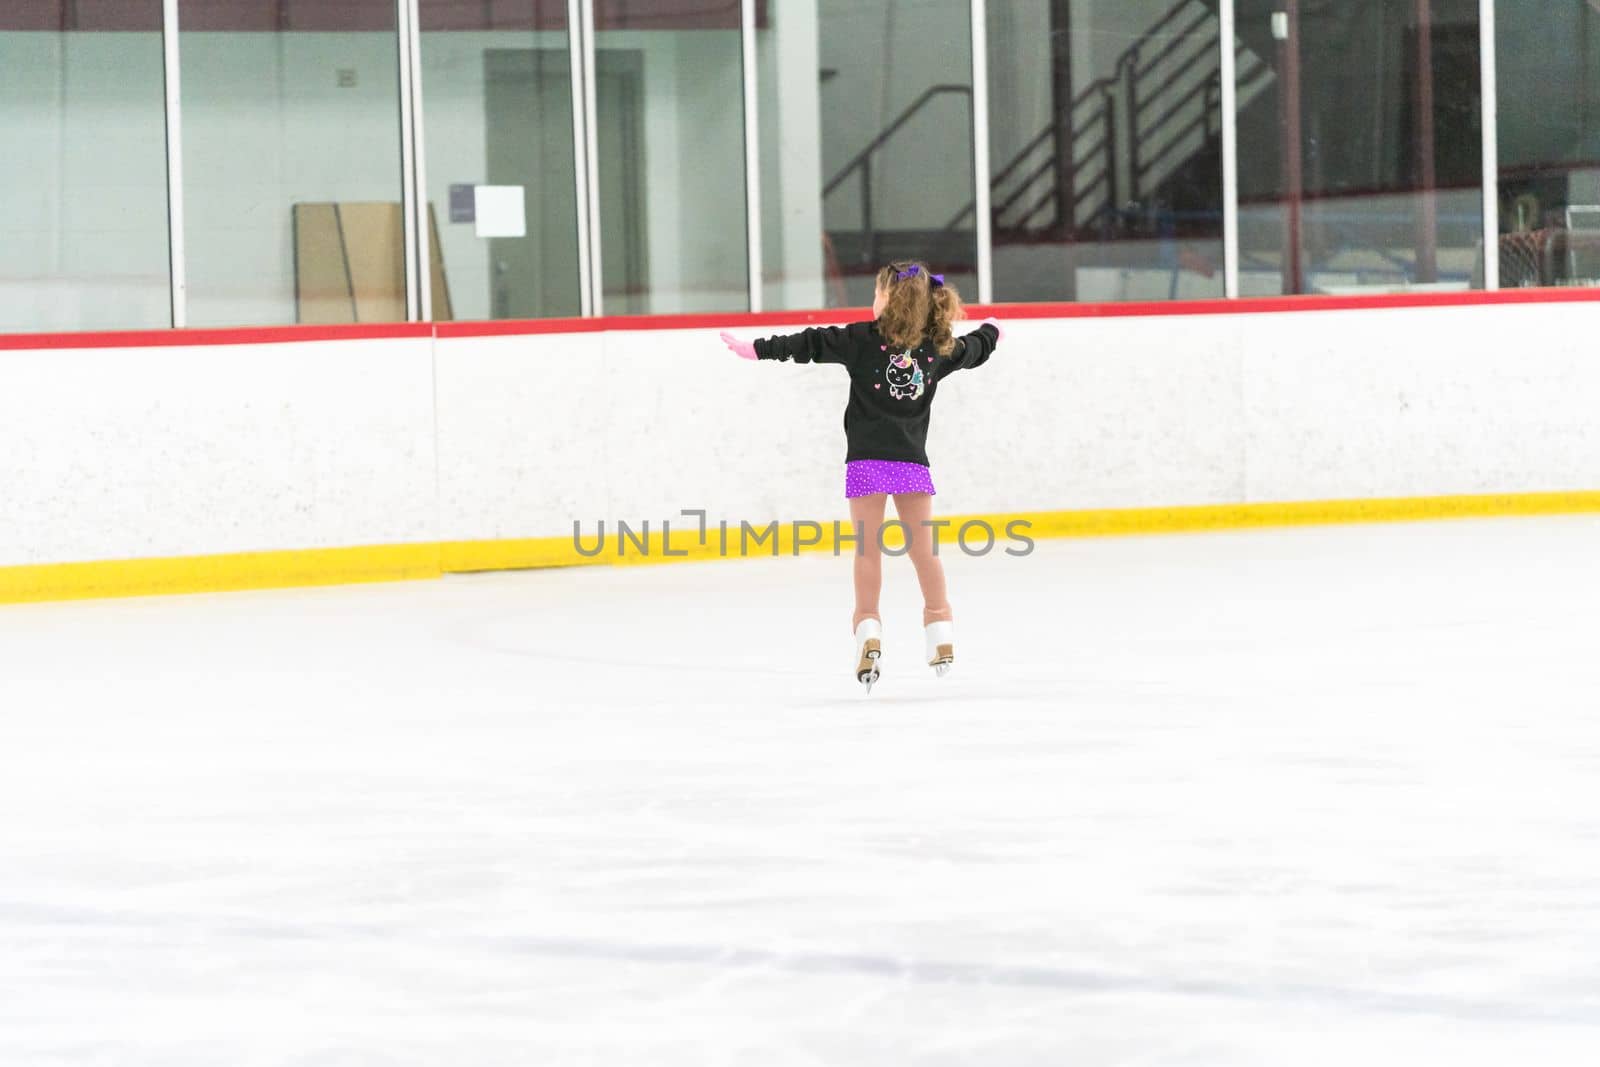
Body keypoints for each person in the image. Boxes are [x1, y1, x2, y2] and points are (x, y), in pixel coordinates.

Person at [720, 261, 1002, 693]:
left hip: (865, 464)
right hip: (911, 466)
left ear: (888, 300)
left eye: (876, 293)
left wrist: (756, 348)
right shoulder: (936, 350)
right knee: (923, 551)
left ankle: (868, 627)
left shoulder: (859, 340)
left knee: (868, 552)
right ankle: (939, 625)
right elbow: (974, 350)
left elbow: (809, 343)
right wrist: (992, 333)